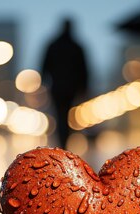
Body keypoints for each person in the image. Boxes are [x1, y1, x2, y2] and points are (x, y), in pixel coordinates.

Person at [41, 18, 89, 149]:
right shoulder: (77, 46)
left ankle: (62, 142)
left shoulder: (53, 45)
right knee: (68, 116)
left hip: (57, 87)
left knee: (59, 115)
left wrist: (44, 82)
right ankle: (65, 141)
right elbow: (84, 69)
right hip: (71, 87)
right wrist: (84, 87)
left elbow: (44, 66)